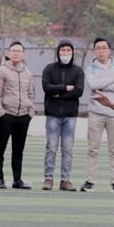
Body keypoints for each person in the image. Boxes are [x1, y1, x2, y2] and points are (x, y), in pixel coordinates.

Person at [81, 37, 114, 191]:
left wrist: (103, 86)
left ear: (109, 50)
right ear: (94, 51)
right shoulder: (90, 69)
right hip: (96, 113)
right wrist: (112, 79)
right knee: (93, 148)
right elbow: (93, 85)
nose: (101, 51)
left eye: (104, 48)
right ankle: (90, 181)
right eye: (98, 48)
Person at [39, 40, 85, 191]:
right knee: (51, 147)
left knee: (67, 149)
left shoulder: (78, 71)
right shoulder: (49, 69)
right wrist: (65, 88)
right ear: (58, 52)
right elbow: (47, 88)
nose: (65, 53)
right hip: (52, 114)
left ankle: (65, 180)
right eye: (63, 50)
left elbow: (78, 91)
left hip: (70, 115)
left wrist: (58, 94)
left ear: (72, 52)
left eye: (68, 50)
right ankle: (48, 179)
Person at [0, 40, 37, 190]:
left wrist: (30, 111)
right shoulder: (1, 71)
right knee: (0, 148)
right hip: (6, 115)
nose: (16, 53)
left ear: (23, 54)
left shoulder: (27, 73)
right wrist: (0, 113)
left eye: (19, 51)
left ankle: (17, 180)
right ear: (9, 53)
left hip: (23, 116)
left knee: (18, 150)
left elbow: (31, 93)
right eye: (13, 51)